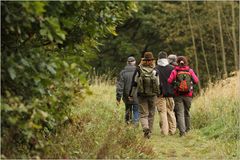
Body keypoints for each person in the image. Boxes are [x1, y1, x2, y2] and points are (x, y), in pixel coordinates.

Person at [129, 52, 159, 138]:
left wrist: (131, 94)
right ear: (152, 60)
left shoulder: (138, 69)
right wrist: (159, 94)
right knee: (151, 113)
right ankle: (150, 132)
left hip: (141, 94)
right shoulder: (155, 70)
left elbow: (134, 83)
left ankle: (145, 128)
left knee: (143, 114)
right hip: (153, 95)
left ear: (143, 60)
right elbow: (158, 84)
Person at [168, 56, 199, 137]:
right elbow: (196, 81)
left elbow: (169, 81)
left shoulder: (175, 71)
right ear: (186, 62)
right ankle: (188, 129)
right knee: (187, 112)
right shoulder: (190, 70)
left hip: (178, 95)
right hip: (188, 95)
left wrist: (176, 84)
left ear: (177, 62)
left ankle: (182, 132)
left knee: (180, 113)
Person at [155, 51, 176, 136]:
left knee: (162, 113)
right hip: (171, 94)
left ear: (158, 58)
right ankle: (172, 130)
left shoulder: (156, 69)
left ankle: (164, 132)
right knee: (170, 112)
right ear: (166, 58)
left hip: (160, 95)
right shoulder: (172, 68)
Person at [116, 56, 139, 125]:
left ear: (127, 63)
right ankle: (135, 125)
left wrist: (118, 98)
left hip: (126, 95)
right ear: (134, 62)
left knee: (128, 109)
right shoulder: (138, 71)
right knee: (136, 110)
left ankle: (128, 125)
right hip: (136, 95)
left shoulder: (123, 73)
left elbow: (120, 86)